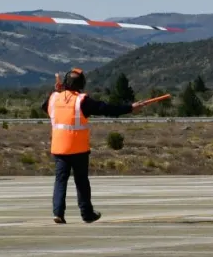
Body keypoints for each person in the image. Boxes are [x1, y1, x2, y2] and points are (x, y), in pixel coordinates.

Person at [40, 68, 145, 224]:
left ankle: (58, 213)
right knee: (81, 181)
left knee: (60, 180)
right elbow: (106, 109)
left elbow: (44, 106)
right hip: (78, 148)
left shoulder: (54, 98)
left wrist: (57, 91)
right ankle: (87, 213)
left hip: (59, 147)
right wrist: (129, 108)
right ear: (81, 84)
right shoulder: (82, 101)